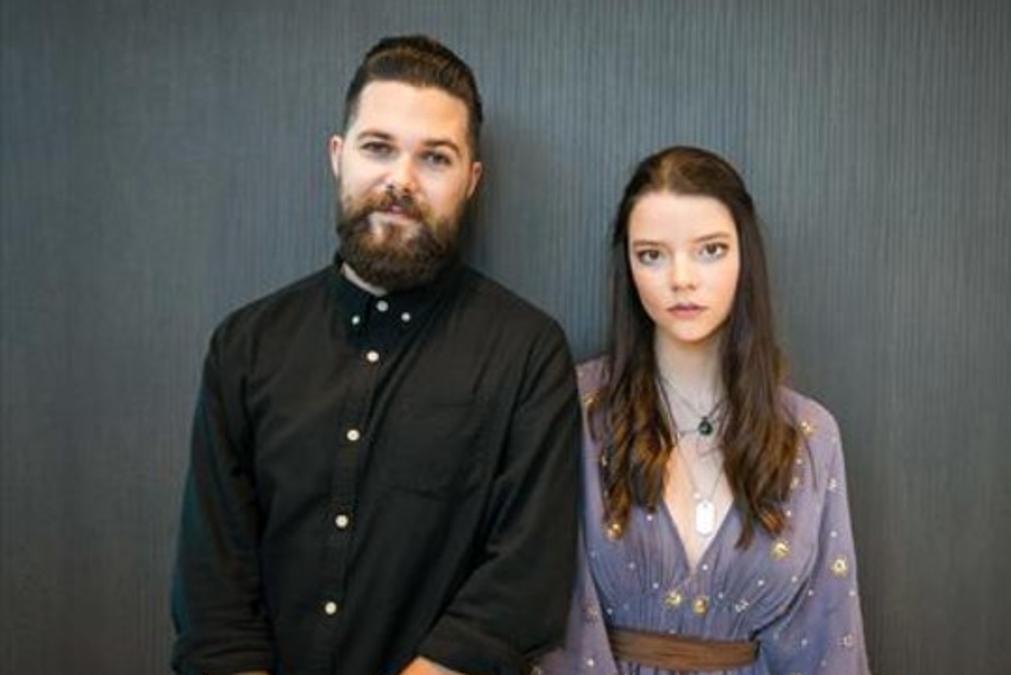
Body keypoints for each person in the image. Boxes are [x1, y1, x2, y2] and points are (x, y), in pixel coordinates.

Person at [171, 36, 580, 675]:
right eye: (378, 147)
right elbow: (213, 590)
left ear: (472, 180)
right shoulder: (245, 346)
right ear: (339, 156)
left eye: (436, 158)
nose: (401, 181)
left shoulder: (528, 353)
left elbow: (521, 590)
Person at [539, 146, 870, 674]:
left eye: (710, 249)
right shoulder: (577, 409)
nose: (682, 278)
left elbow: (829, 640)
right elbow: (555, 617)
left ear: (745, 257)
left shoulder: (809, 436)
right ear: (628, 266)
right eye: (652, 254)